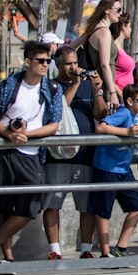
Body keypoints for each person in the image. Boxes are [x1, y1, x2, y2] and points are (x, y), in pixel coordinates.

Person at [0, 41, 64, 261]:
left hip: (32, 154)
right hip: (5, 152)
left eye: (48, 61)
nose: (45, 65)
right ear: (27, 62)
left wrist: (27, 135)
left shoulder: (52, 88)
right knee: (4, 207)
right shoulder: (9, 85)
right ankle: (6, 254)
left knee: (30, 208)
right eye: (41, 61)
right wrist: (9, 134)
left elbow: (54, 124)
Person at [44, 46, 107, 260]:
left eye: (75, 63)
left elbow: (100, 113)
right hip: (57, 155)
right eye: (68, 64)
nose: (73, 68)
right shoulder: (51, 87)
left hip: (85, 155)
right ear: (58, 65)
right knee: (53, 203)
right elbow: (59, 110)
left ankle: (86, 248)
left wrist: (98, 90)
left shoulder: (87, 86)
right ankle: (55, 250)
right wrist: (75, 84)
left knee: (86, 205)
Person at [90, 85, 138, 258]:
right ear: (129, 101)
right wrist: (126, 132)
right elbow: (102, 127)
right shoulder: (124, 113)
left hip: (123, 169)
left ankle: (121, 247)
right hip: (107, 167)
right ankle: (105, 252)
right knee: (104, 210)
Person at [76, 0, 122, 112]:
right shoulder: (104, 32)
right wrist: (112, 93)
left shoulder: (93, 29)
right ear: (107, 10)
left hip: (99, 84)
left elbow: (71, 46)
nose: (120, 13)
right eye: (118, 10)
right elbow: (105, 64)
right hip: (104, 86)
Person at [111, 13, 135, 91]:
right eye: (130, 26)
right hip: (118, 96)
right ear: (123, 27)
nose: (131, 29)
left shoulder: (120, 48)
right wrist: (119, 94)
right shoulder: (113, 48)